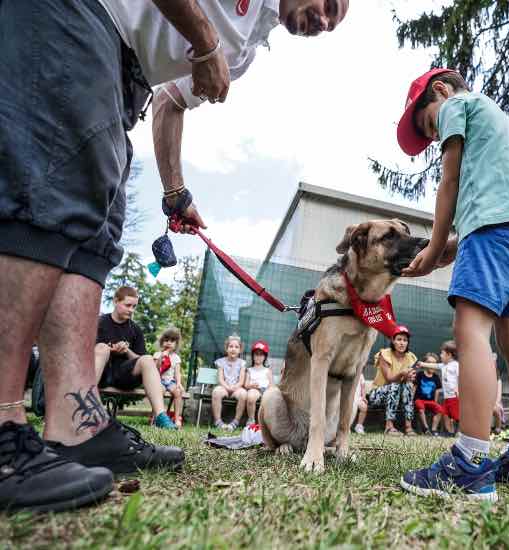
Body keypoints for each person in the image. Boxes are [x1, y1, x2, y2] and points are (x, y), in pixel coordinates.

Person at [0, 0, 349, 512]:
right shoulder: (223, 38)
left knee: (94, 229)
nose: (324, 20)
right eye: (330, 4)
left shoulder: (248, 47)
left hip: (125, 70)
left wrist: (175, 190)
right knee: (45, 200)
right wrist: (204, 41)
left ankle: (78, 424)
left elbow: (169, 101)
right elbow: (197, 48)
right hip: (80, 16)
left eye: (332, 24)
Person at [397, 68, 509, 499]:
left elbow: (450, 181)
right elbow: (491, 194)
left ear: (441, 91)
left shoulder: (456, 105)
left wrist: (430, 249)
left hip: (489, 231)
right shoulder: (492, 114)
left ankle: (468, 460)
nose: (435, 136)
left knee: (470, 333)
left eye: (430, 125)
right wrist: (452, 243)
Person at [94, 286, 177, 430]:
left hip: (123, 375)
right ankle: (88, 407)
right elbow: (85, 352)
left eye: (134, 306)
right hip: (100, 373)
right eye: (128, 305)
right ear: (115, 301)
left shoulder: (135, 329)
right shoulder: (99, 322)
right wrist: (108, 349)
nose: (131, 310)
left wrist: (126, 351)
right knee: (101, 348)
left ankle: (161, 416)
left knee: (147, 359)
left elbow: (141, 358)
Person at [367, 326, 418, 436]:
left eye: (405, 340)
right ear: (393, 340)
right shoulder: (384, 354)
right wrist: (402, 373)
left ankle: (409, 427)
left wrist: (410, 377)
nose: (402, 343)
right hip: (377, 395)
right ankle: (389, 427)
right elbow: (389, 378)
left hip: (399, 393)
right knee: (395, 385)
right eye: (399, 339)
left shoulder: (410, 357)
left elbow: (408, 379)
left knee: (408, 386)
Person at [212, 336, 249, 431]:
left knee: (243, 394)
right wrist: (226, 387)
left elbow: (241, 381)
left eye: (236, 347)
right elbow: (220, 379)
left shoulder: (242, 363)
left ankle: (235, 422)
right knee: (216, 392)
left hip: (236, 388)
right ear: (226, 348)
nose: (233, 349)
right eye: (231, 346)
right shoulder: (221, 362)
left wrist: (234, 387)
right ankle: (218, 421)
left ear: (240, 350)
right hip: (224, 386)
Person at [154, 327, 185, 428]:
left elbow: (177, 373)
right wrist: (161, 357)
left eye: (172, 341)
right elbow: (155, 369)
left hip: (170, 381)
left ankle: (176, 418)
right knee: (160, 392)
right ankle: (158, 417)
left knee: (177, 392)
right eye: (166, 340)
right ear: (162, 342)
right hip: (160, 381)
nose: (168, 343)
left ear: (176, 344)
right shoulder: (157, 354)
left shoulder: (176, 357)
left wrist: (179, 383)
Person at [411, 353, 444, 436]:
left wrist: (435, 402)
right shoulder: (420, 375)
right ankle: (425, 429)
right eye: (429, 362)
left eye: (434, 363)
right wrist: (411, 400)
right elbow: (414, 387)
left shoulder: (436, 377)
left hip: (430, 401)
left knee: (440, 410)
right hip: (419, 400)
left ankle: (434, 429)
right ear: (425, 364)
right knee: (421, 408)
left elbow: (436, 391)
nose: (431, 365)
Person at [245, 340, 274, 425]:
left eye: (261, 354)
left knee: (268, 399)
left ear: (265, 357)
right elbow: (246, 384)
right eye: (256, 354)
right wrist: (251, 385)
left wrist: (268, 389)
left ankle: (264, 422)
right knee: (250, 397)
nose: (258, 357)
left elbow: (272, 384)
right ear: (253, 356)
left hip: (266, 390)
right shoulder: (249, 370)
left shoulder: (267, 370)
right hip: (254, 389)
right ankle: (251, 420)